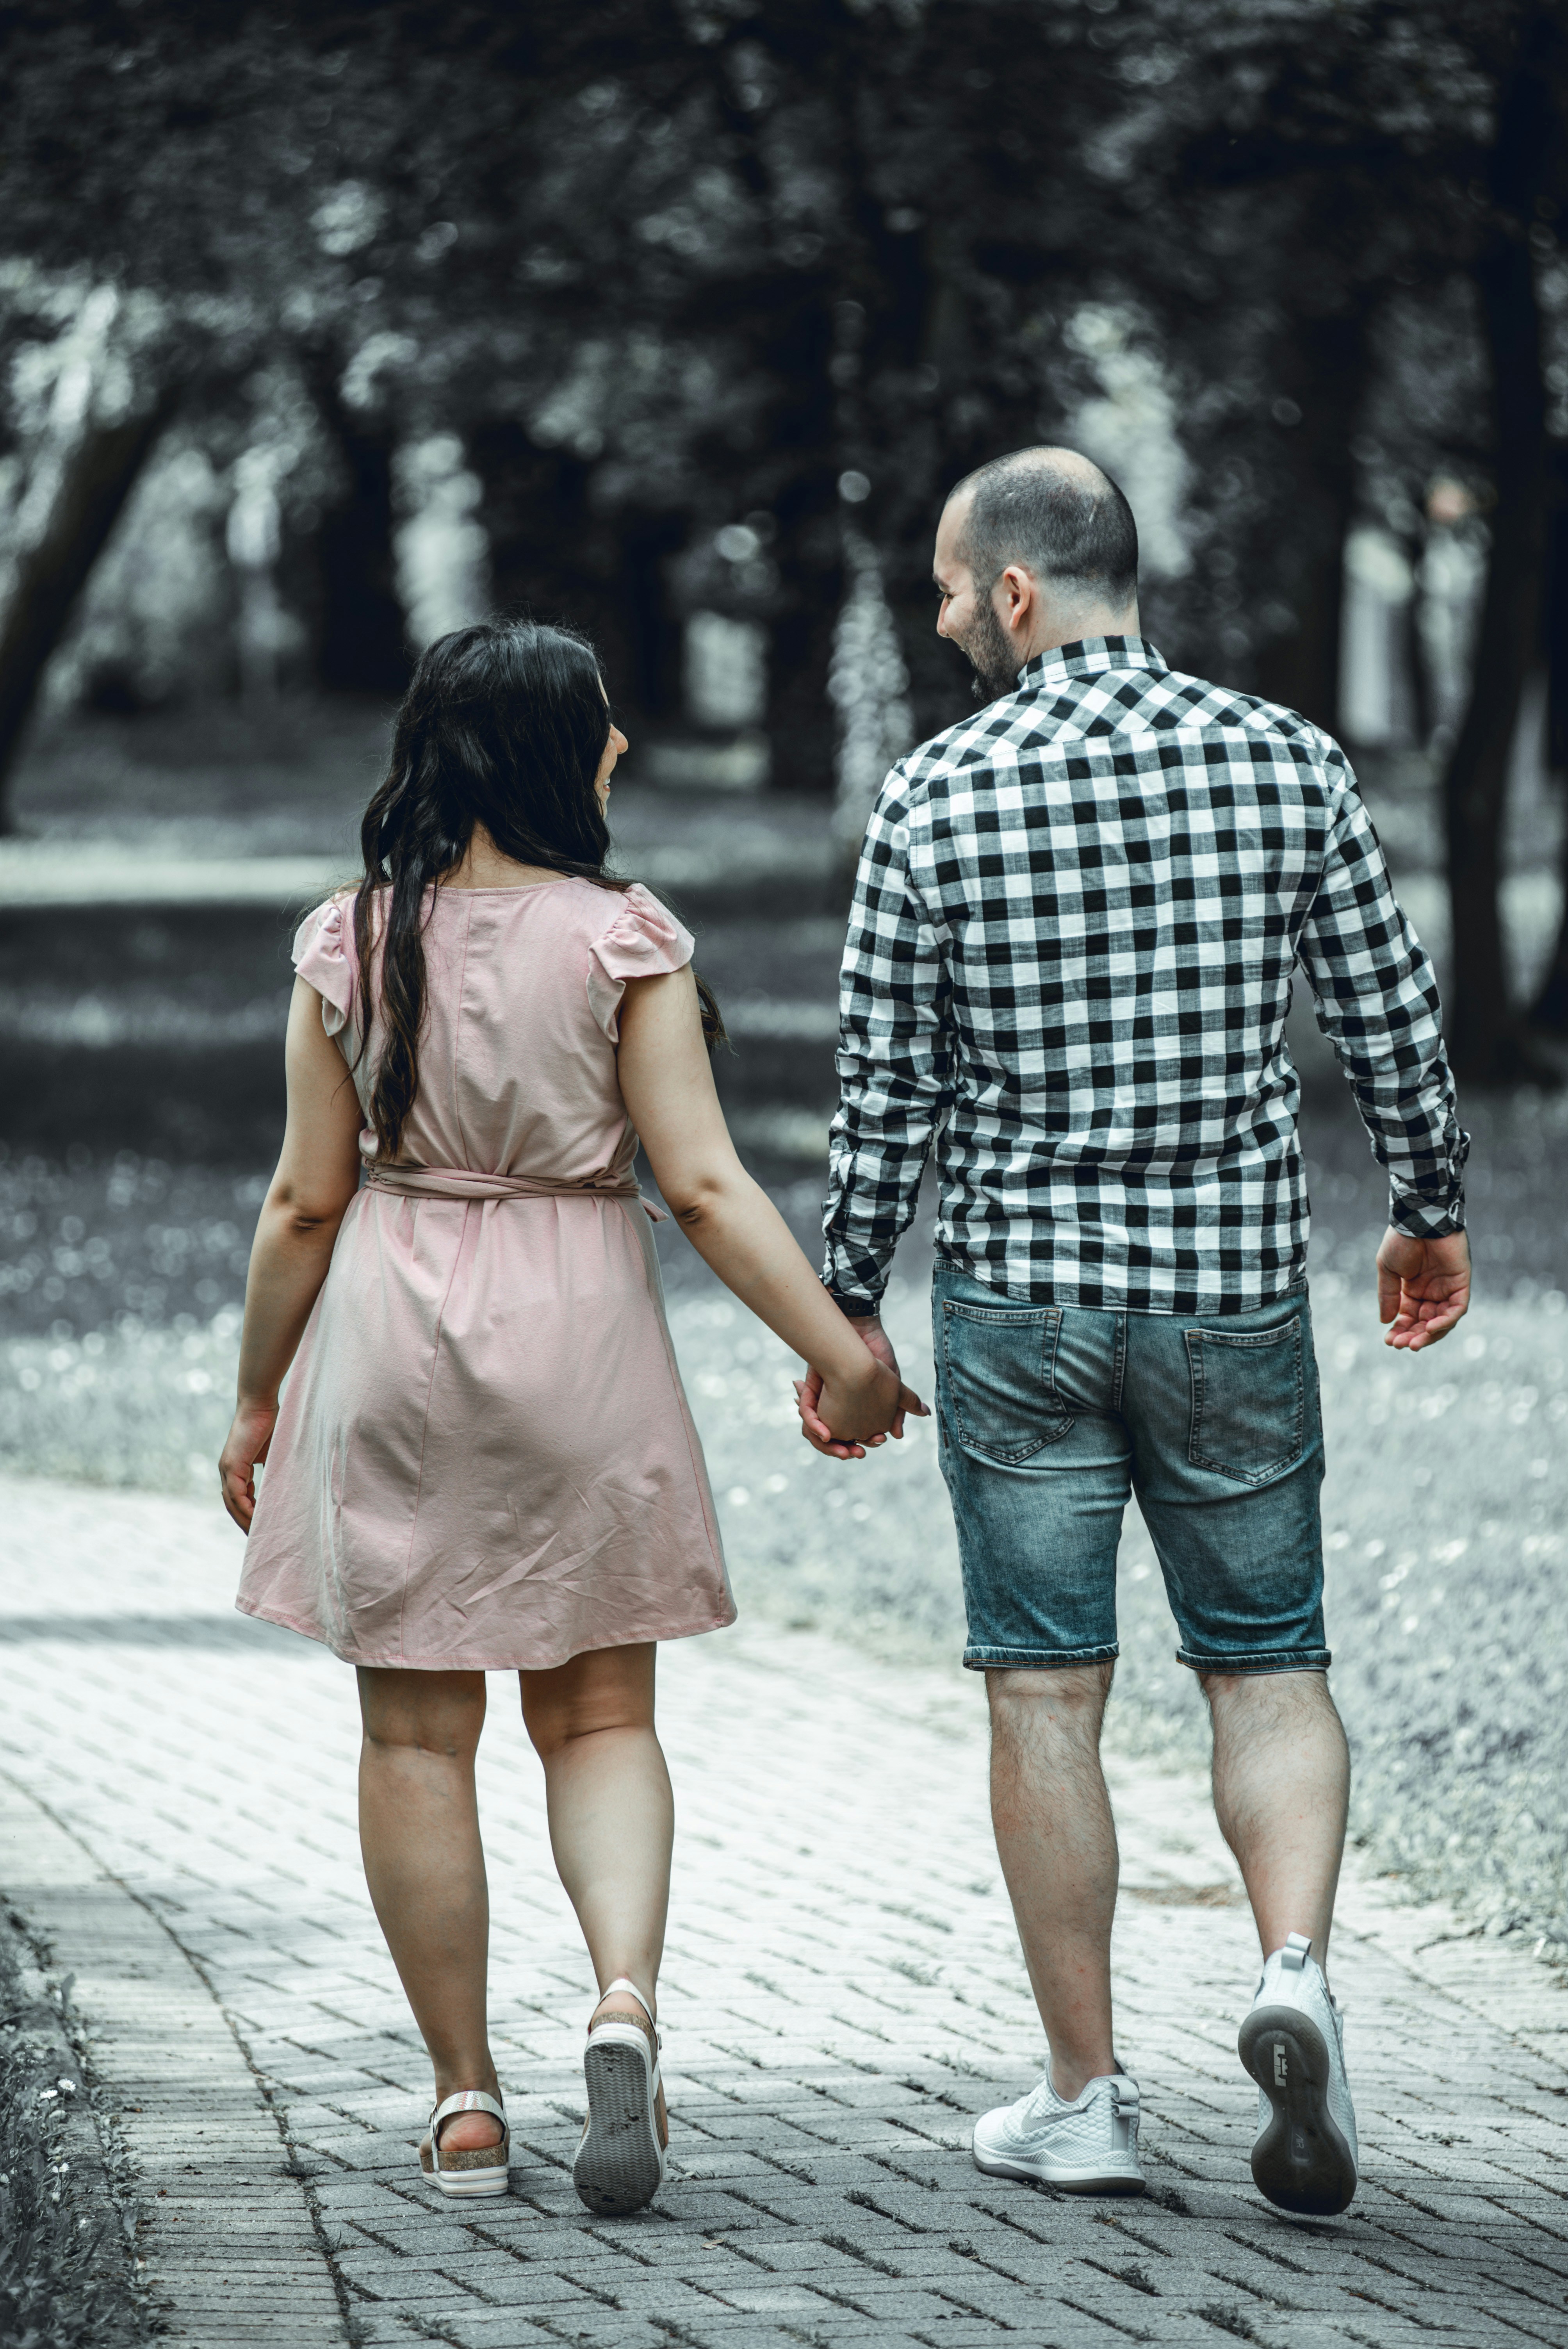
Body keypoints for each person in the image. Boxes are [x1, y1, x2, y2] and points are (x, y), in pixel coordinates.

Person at [797, 448, 1470, 2217]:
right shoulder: (1282, 759)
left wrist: (844, 1302)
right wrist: (1426, 1203)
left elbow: (884, 1103)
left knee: (1041, 1690)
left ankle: (1085, 2096)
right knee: (1267, 1662)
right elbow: (1389, 1013)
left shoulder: (934, 794)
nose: (943, 620)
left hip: (1022, 1304)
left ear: (1016, 590)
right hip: (1226, 1291)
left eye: (951, 589)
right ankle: (1291, 1973)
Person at [219, 620, 921, 2217]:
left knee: (414, 1731)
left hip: (393, 1329)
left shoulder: (348, 939)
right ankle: (620, 2004)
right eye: (605, 725)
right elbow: (700, 1183)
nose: (622, 747)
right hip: (579, 1325)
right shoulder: (625, 938)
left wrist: (259, 1392)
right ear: (550, 748)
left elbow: (302, 1201)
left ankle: (464, 2101)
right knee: (600, 1715)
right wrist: (844, 1355)